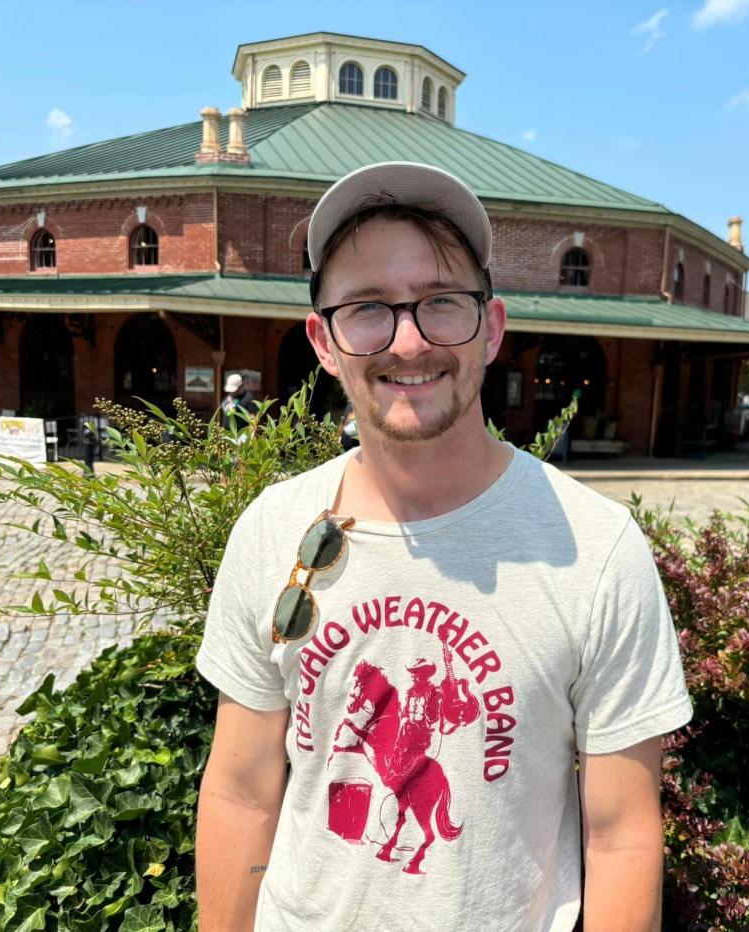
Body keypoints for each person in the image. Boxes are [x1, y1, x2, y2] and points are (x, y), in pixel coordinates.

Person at [194, 161, 691, 931]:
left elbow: (621, 834)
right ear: (324, 342)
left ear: (491, 329)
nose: (410, 340)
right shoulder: (272, 528)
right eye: (368, 309)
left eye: (441, 303)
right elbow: (241, 790)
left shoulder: (596, 549)